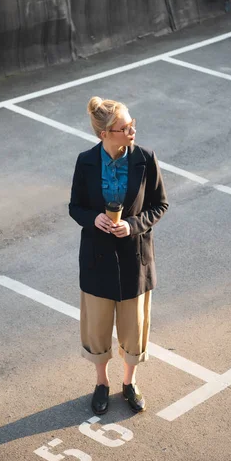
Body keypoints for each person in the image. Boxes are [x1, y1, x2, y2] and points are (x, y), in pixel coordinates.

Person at [69, 96, 168, 414]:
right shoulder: (85, 161)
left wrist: (133, 224)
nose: (132, 131)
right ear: (105, 134)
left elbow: (160, 204)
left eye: (132, 124)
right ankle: (102, 383)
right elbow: (76, 206)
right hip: (97, 260)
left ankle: (129, 383)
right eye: (125, 127)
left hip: (134, 259)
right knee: (97, 329)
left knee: (133, 327)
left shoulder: (145, 158)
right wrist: (92, 218)